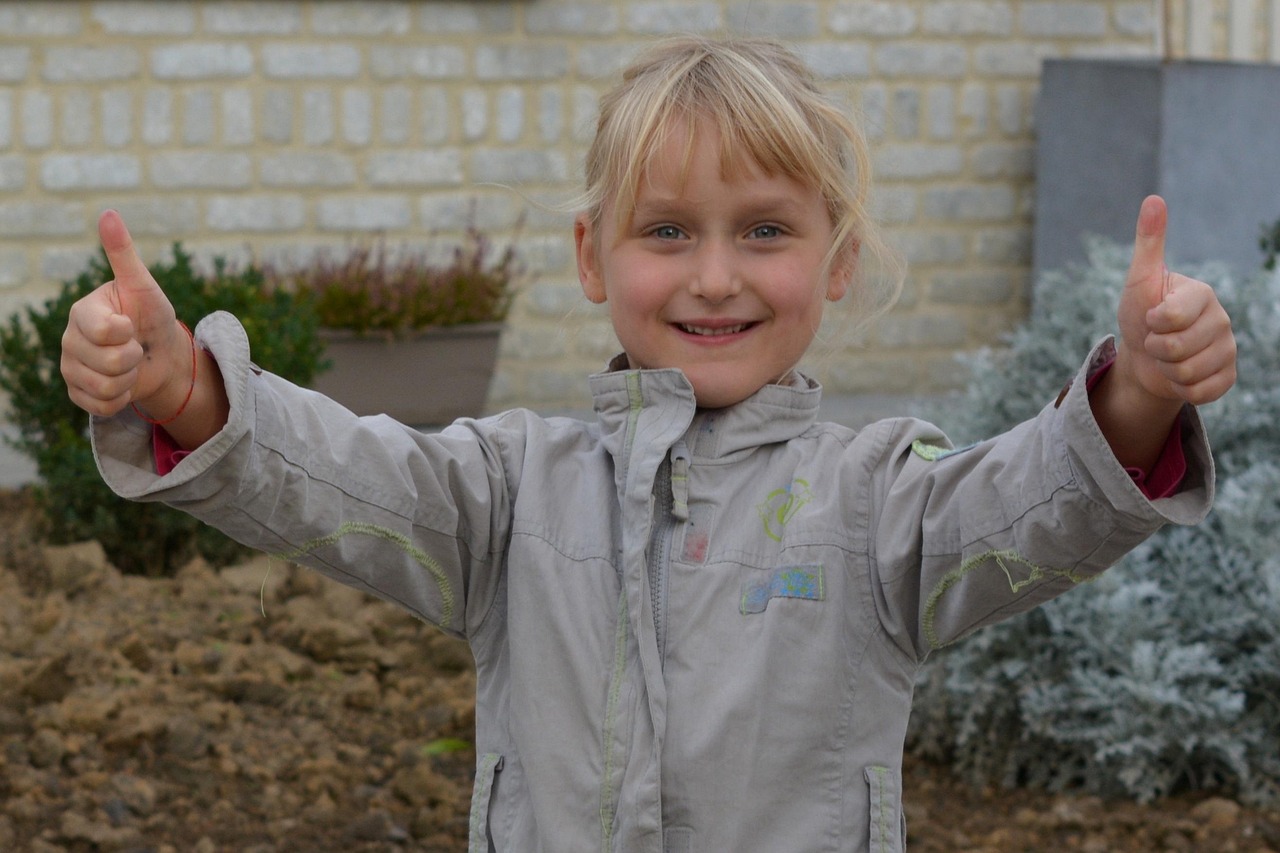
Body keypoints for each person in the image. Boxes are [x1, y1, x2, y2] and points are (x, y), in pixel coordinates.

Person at [61, 35, 1235, 853]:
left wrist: (1134, 390)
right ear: (591, 257)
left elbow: (1032, 507)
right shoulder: (508, 491)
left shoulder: (878, 500)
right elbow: (330, 478)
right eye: (665, 229)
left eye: (763, 229)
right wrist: (190, 391)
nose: (714, 274)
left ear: (834, 259)